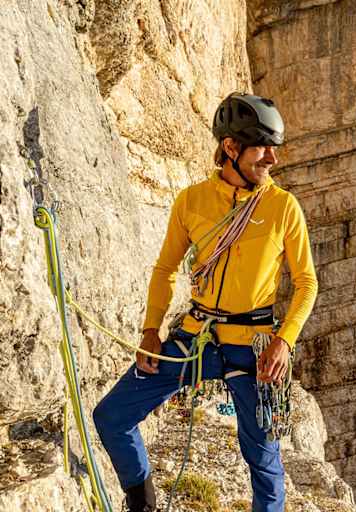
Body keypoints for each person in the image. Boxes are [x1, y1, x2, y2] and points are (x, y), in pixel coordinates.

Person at [93, 92, 318, 512]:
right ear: (230, 148)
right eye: (261, 148)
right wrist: (150, 332)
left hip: (254, 347)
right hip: (196, 338)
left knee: (264, 463)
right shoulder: (192, 201)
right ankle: (142, 502)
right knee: (112, 416)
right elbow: (165, 270)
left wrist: (284, 341)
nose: (271, 159)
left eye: (274, 148)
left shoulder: (283, 207)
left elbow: (306, 283)